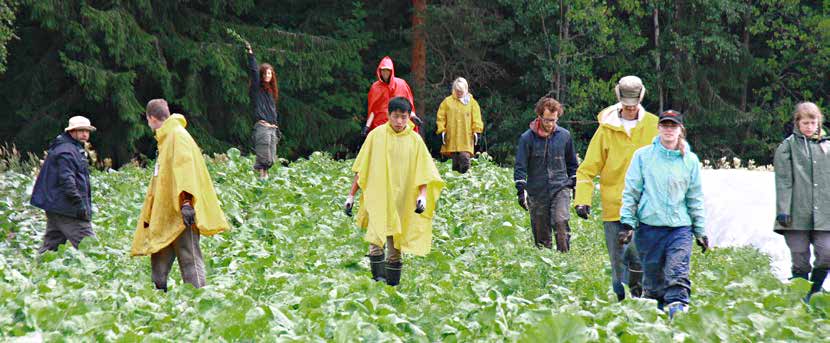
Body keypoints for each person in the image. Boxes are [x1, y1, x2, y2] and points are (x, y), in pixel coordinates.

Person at [131, 99, 230, 291]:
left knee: (189, 258)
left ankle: (199, 300)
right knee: (158, 261)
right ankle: (159, 302)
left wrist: (186, 202)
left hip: (182, 211)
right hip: (165, 213)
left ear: (151, 118)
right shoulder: (167, 138)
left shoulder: (177, 136)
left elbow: (185, 171)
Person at [573, 76, 658, 301]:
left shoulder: (654, 126)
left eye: (633, 104)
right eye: (626, 104)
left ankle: (641, 304)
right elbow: (587, 169)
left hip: (646, 207)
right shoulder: (606, 130)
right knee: (618, 263)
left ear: (641, 98)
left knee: (640, 259)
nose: (630, 109)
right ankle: (620, 304)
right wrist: (582, 200)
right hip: (615, 207)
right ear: (619, 99)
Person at [344, 97, 444, 286]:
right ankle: (378, 284)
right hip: (379, 198)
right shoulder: (376, 136)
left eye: (403, 118)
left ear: (409, 118)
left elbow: (424, 172)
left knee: (395, 246)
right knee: (375, 243)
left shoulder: (415, 140)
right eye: (396, 117)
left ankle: (392, 289)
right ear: (388, 115)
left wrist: (422, 196)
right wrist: (351, 196)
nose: (399, 122)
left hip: (402, 201)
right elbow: (361, 169)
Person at [620, 110, 708, 319]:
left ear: (680, 130)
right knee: (653, 282)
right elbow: (632, 191)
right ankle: (658, 325)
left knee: (677, 273)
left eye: (673, 126)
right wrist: (627, 223)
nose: (669, 130)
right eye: (665, 126)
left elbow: (695, 197)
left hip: (679, 228)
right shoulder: (643, 156)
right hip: (649, 227)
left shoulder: (690, 161)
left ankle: (679, 318)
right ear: (658, 128)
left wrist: (700, 231)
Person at [774, 102, 829, 302]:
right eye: (805, 123)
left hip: (824, 214)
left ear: (818, 123)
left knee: (826, 254)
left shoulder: (827, 146)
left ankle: (813, 291)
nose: (808, 126)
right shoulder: (787, 147)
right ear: (797, 123)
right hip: (796, 213)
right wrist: (783, 209)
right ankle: (799, 299)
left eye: (812, 122)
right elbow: (783, 181)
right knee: (800, 259)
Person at [514, 96, 578, 251]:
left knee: (561, 222)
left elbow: (572, 165)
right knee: (542, 238)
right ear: (539, 116)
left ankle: (564, 261)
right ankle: (546, 267)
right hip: (537, 191)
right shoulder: (527, 138)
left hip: (560, 187)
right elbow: (520, 166)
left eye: (554, 120)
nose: (550, 124)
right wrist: (521, 191)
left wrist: (576, 185)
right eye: (547, 120)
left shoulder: (564, 136)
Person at [30, 116, 97, 253]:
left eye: (87, 131)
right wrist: (79, 204)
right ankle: (102, 273)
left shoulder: (69, 147)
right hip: (67, 207)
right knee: (91, 248)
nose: (85, 134)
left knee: (50, 247)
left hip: (57, 205)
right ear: (72, 132)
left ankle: (35, 271)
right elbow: (67, 181)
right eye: (81, 130)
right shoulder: (66, 151)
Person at [245, 41, 281, 179]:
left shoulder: (271, 92)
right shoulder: (256, 89)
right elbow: (254, 71)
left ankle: (264, 182)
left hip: (273, 129)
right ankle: (260, 183)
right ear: (261, 74)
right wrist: (250, 54)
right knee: (263, 160)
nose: (267, 75)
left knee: (270, 160)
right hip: (263, 127)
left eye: (270, 73)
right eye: (265, 73)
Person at [363, 56, 422, 136]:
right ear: (379, 71)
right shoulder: (375, 87)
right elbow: (373, 110)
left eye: (387, 70)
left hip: (398, 125)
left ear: (392, 71)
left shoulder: (401, 85)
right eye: (383, 70)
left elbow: (407, 105)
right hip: (380, 126)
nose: (385, 73)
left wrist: (413, 116)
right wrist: (367, 126)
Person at [436, 77, 484, 173]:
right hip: (452, 137)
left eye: (461, 91)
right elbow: (441, 117)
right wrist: (442, 130)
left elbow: (476, 118)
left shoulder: (472, 103)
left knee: (465, 159)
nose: (459, 93)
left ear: (465, 89)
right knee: (455, 162)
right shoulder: (447, 102)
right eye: (457, 91)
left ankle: (466, 179)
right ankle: (457, 182)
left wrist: (477, 132)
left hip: (466, 138)